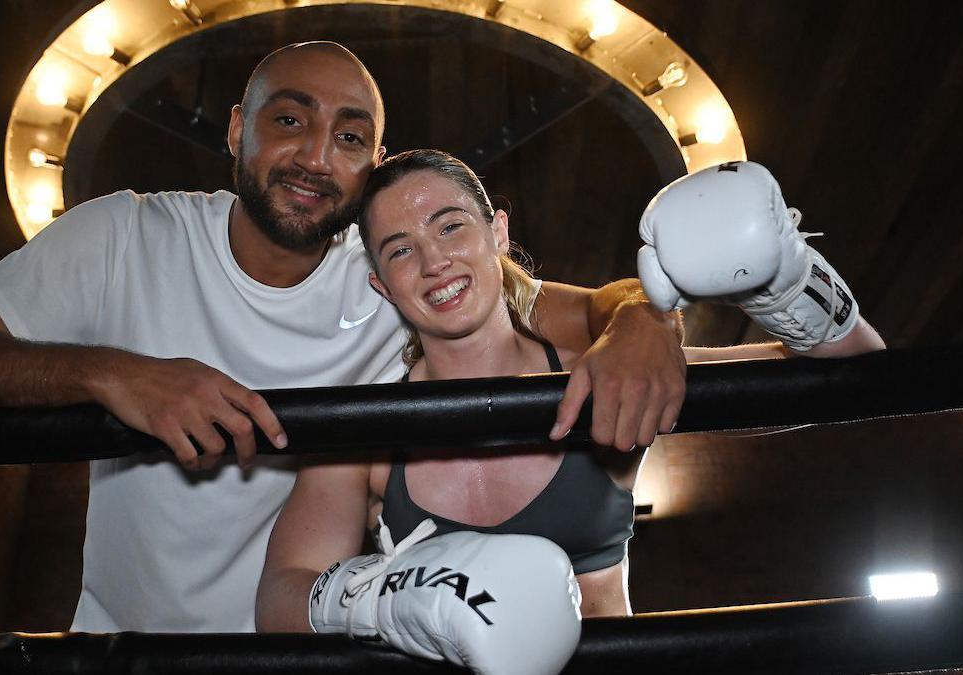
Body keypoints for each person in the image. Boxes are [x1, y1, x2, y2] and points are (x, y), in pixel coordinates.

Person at [0, 42, 688, 632]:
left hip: (299, 650)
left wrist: (648, 320)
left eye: (350, 137)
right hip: (120, 648)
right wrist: (112, 374)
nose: (316, 156)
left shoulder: (395, 271)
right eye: (289, 119)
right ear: (236, 130)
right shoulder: (122, 239)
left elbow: (590, 307)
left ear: (373, 161)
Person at [254, 151, 884, 673]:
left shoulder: (605, 379)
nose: (433, 262)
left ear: (497, 233)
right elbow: (281, 597)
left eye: (450, 227)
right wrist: (399, 595)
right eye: (400, 250)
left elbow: (853, 377)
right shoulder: (370, 427)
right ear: (381, 284)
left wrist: (786, 283)